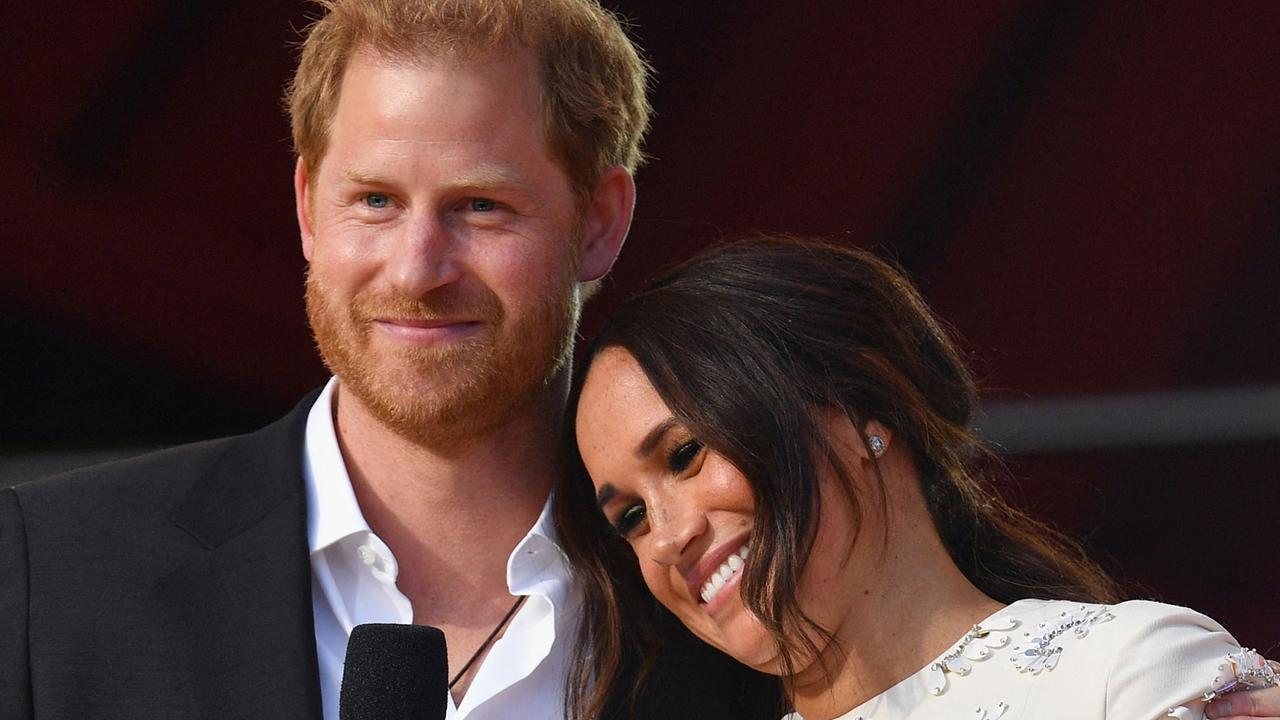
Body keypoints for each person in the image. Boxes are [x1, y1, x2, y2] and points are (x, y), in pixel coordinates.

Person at [0, 2, 775, 718]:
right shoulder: (53, 572)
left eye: (480, 206)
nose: (416, 271)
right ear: (307, 207)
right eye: (374, 200)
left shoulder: (755, 597)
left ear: (600, 224)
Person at [556, 235, 1280, 720]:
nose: (667, 538)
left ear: (862, 407)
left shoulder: (1127, 677)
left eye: (685, 456)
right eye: (630, 519)